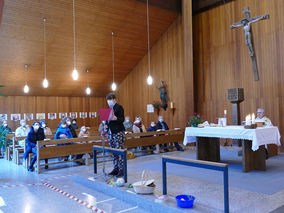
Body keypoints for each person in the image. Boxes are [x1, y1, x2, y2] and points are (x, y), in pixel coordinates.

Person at [105, 93, 125, 177]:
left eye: (110, 100)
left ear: (114, 99)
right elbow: (106, 120)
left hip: (118, 131)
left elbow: (122, 119)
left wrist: (116, 118)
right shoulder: (107, 108)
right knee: (113, 150)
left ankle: (121, 169)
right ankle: (115, 168)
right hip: (110, 131)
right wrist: (105, 124)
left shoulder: (119, 107)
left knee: (119, 149)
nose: (108, 102)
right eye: (107, 100)